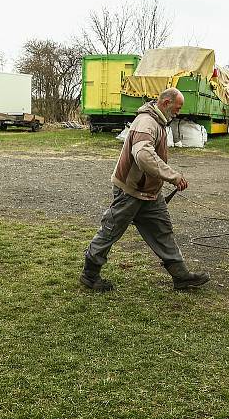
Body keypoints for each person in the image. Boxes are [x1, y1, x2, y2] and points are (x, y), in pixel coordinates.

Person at [80, 87, 211, 292]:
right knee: (110, 231)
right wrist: (172, 176)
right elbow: (143, 156)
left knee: (162, 230)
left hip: (149, 193)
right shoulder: (146, 123)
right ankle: (90, 274)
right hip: (130, 191)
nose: (178, 112)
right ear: (166, 103)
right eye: (177, 108)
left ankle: (181, 276)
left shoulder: (157, 121)